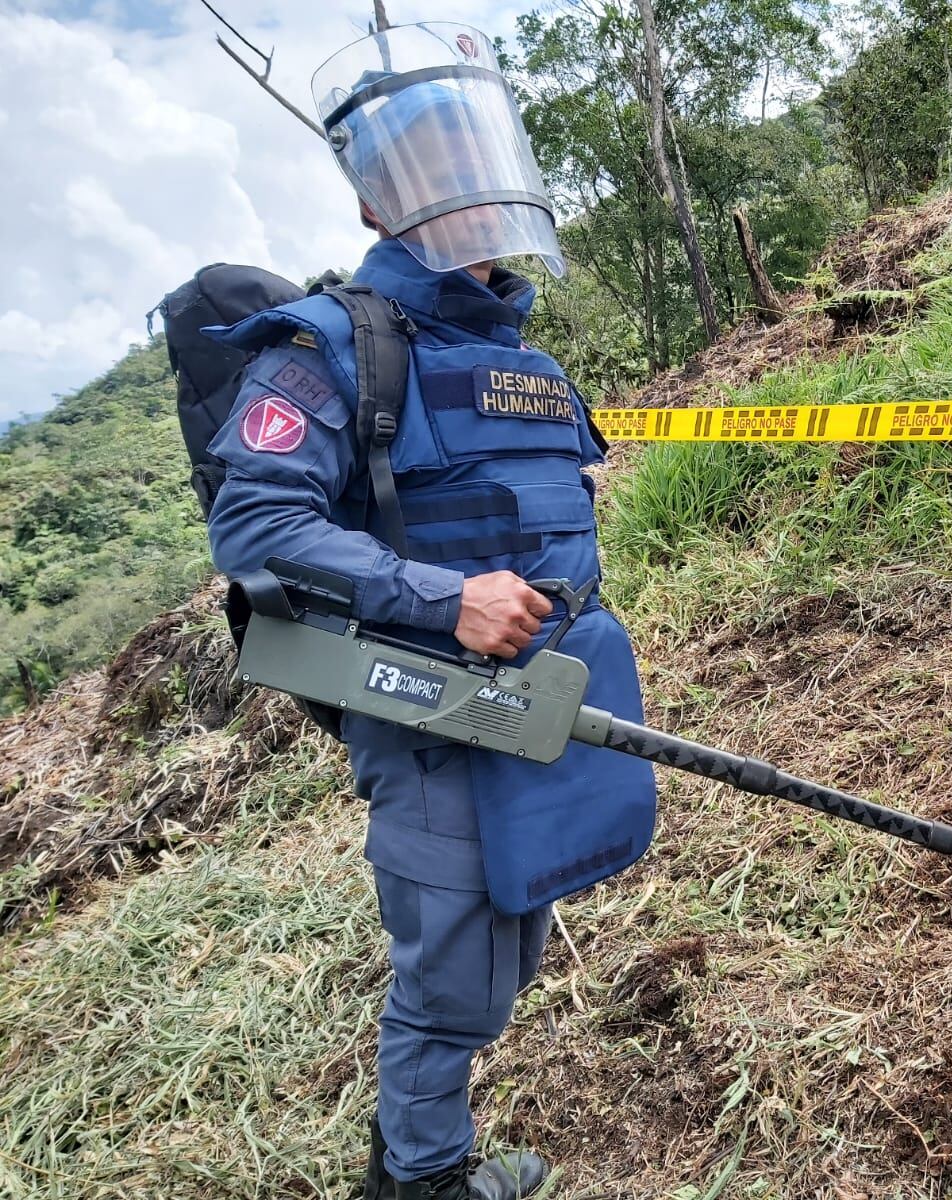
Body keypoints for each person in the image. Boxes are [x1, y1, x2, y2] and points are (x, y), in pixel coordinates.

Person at [203, 22, 657, 1200]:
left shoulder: (524, 358)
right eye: (422, 161)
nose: (457, 182)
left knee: (515, 935)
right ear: (372, 199)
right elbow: (257, 529)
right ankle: (421, 1183)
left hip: (547, 698)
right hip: (427, 717)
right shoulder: (327, 351)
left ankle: (411, 1154)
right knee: (451, 977)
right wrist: (442, 597)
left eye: (470, 145)